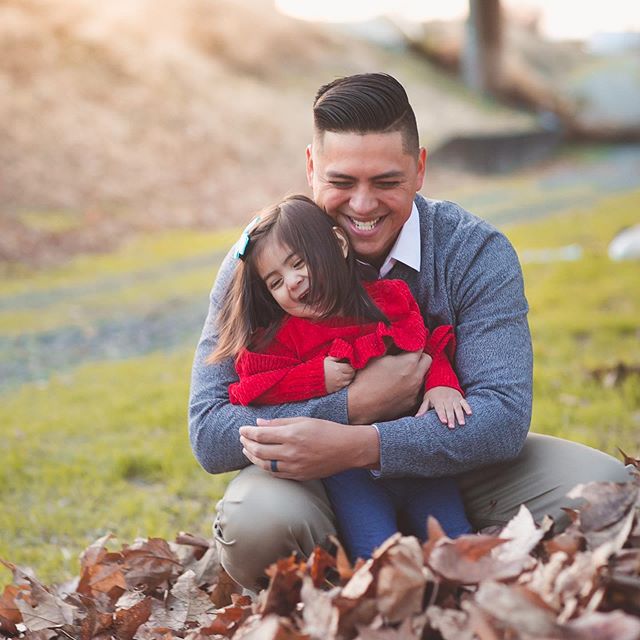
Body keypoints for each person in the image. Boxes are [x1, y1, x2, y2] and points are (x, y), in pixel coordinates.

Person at [189, 72, 630, 590]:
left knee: (611, 489)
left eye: (386, 182)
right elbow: (210, 428)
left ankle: (466, 558)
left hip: (451, 463)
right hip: (314, 477)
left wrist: (362, 444)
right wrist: (345, 410)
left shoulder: (474, 252)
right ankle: (352, 581)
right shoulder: (265, 261)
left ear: (419, 169)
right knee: (255, 526)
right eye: (341, 182)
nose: (362, 206)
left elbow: (504, 417)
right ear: (312, 168)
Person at [207, 195, 473, 561]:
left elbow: (426, 346)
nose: (293, 282)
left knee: (457, 544)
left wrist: (443, 383)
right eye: (275, 281)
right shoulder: (285, 338)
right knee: (378, 556)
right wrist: (317, 378)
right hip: (348, 473)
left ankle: (466, 606)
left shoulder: (386, 300)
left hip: (415, 456)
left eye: (298, 263)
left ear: (338, 243)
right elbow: (257, 388)